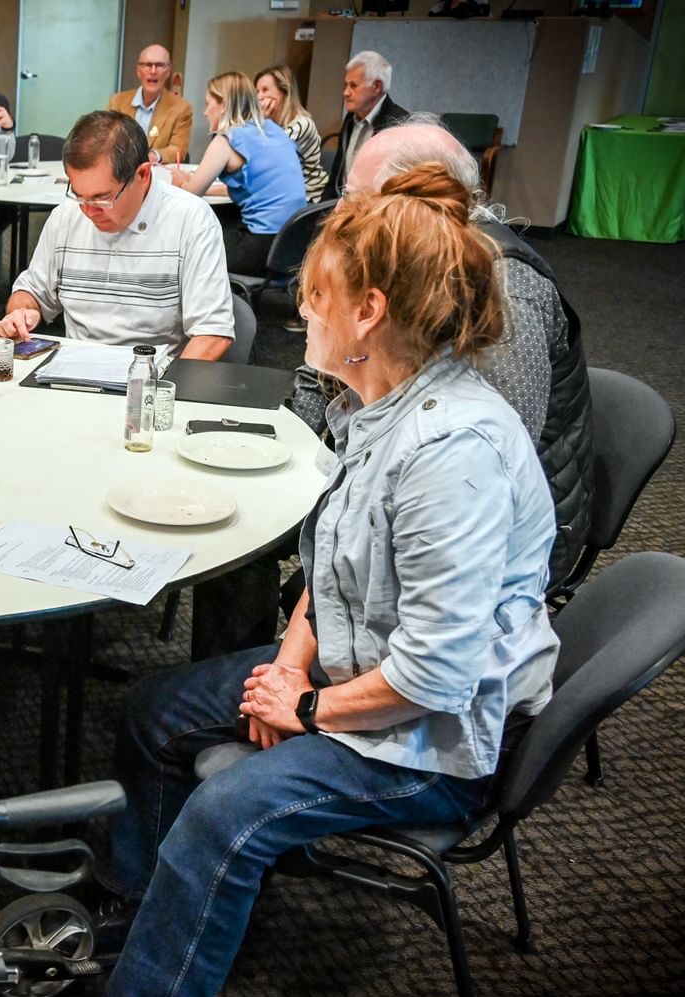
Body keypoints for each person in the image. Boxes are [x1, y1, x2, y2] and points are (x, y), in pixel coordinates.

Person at [18, 163, 560, 997]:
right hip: (362, 671)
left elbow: (438, 676)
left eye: (316, 295)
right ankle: (154, 921)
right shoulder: (382, 405)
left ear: (370, 312)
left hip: (434, 742)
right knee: (154, 712)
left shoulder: (451, 452)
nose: (299, 312)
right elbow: (331, 565)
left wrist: (305, 709)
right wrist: (289, 666)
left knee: (223, 812)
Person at [192, 117, 594, 664]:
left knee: (265, 538)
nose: (338, 212)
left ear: (415, 198)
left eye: (356, 198)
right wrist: (287, 453)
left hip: (475, 525)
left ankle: (277, 681)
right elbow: (325, 376)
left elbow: (486, 466)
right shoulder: (379, 258)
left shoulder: (501, 286)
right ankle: (248, 678)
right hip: (383, 462)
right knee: (244, 509)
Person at [0, 110, 233, 358]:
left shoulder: (191, 219)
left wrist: (164, 382)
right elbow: (31, 292)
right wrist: (22, 311)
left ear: (143, 175)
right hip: (75, 368)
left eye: (102, 198)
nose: (89, 211)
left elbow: (212, 334)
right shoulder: (66, 216)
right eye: (79, 196)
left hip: (153, 371)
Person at [170, 72, 308, 276]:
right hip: (293, 247)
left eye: (208, 104)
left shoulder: (228, 140)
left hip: (261, 248)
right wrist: (201, 184)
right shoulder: (273, 130)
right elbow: (257, 187)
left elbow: (188, 197)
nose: (205, 113)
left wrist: (179, 182)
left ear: (224, 104)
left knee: (189, 244)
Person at [328, 50, 409, 197]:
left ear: (376, 87)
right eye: (346, 85)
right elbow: (335, 179)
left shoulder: (399, 125)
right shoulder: (350, 119)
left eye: (353, 86)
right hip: (342, 204)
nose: (346, 92)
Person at [107, 45, 192, 164]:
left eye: (159, 65)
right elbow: (106, 140)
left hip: (155, 171)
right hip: (121, 170)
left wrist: (153, 156)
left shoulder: (182, 108)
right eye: (147, 65)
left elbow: (178, 149)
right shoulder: (117, 102)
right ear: (138, 71)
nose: (153, 71)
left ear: (168, 72)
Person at [254, 64, 328, 203]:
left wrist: (261, 121)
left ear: (284, 92)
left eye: (265, 90)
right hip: (279, 196)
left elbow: (264, 164)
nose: (259, 97)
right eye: (257, 91)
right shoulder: (274, 126)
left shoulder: (302, 124)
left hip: (307, 200)